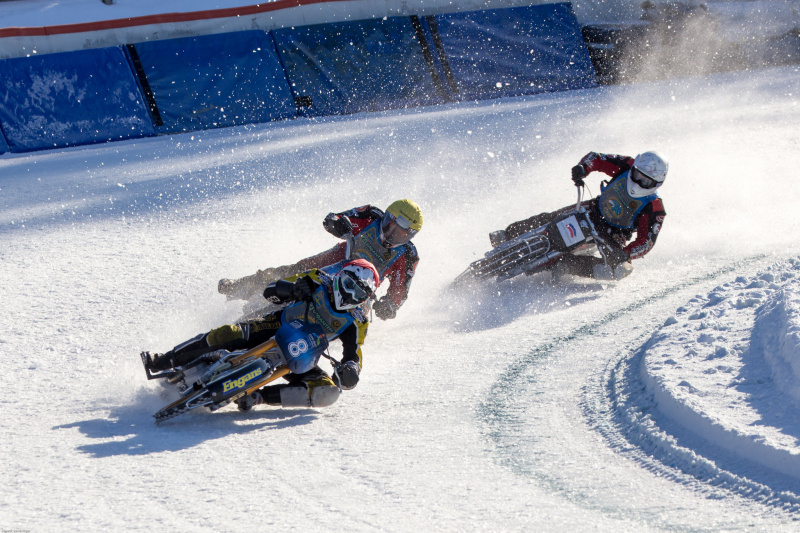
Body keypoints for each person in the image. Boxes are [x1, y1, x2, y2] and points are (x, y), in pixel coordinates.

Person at [142, 259, 380, 410]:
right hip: (273, 327)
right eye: (349, 286)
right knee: (229, 332)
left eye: (358, 295)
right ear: (340, 278)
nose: (349, 296)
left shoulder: (356, 321)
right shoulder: (317, 279)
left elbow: (354, 354)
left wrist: (350, 371)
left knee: (327, 393)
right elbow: (270, 291)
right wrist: (292, 289)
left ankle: (259, 398)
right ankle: (166, 359)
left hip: (304, 356)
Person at [218, 199, 422, 320]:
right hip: (339, 258)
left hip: (361, 288)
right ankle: (243, 285)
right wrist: (339, 226)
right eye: (390, 225)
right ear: (386, 216)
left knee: (348, 318)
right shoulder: (370, 215)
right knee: (295, 270)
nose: (392, 234)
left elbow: (399, 293)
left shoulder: (407, 255)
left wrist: (389, 306)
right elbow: (334, 218)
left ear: (410, 236)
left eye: (403, 234)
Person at [489, 151, 668, 280]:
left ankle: (568, 265)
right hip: (593, 209)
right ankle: (509, 234)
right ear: (634, 168)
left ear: (656, 184)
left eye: (645, 181)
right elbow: (597, 158)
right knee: (552, 217)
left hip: (615, 233)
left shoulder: (655, 207)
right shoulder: (626, 165)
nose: (638, 181)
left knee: (618, 272)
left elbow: (646, 241)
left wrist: (625, 254)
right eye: (637, 175)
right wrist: (583, 168)